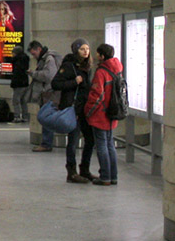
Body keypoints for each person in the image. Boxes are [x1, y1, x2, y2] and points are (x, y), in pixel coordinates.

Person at [51, 39, 94, 183]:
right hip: (73, 109)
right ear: (76, 50)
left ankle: (85, 169)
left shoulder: (87, 66)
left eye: (87, 49)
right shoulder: (69, 66)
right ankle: (72, 171)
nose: (85, 52)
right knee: (73, 141)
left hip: (85, 109)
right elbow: (55, 83)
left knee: (90, 140)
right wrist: (74, 82)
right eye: (82, 49)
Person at [84, 43, 124, 185]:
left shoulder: (101, 72)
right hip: (112, 112)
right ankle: (113, 176)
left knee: (101, 145)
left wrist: (87, 111)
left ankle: (105, 176)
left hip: (100, 114)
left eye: (97, 53)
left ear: (102, 55)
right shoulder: (117, 69)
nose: (95, 55)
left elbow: (96, 95)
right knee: (110, 144)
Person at [27, 40, 59, 152]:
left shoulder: (48, 59)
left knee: (46, 117)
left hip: (49, 93)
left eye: (34, 53)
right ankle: (46, 142)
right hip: (47, 92)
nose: (33, 56)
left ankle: (46, 143)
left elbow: (48, 75)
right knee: (46, 117)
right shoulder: (45, 58)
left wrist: (33, 74)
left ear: (39, 49)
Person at [9, 45, 30, 123]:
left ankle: (17, 117)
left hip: (18, 84)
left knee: (16, 100)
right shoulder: (25, 60)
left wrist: (13, 83)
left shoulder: (17, 61)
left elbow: (16, 74)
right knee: (23, 101)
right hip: (25, 83)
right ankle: (25, 117)